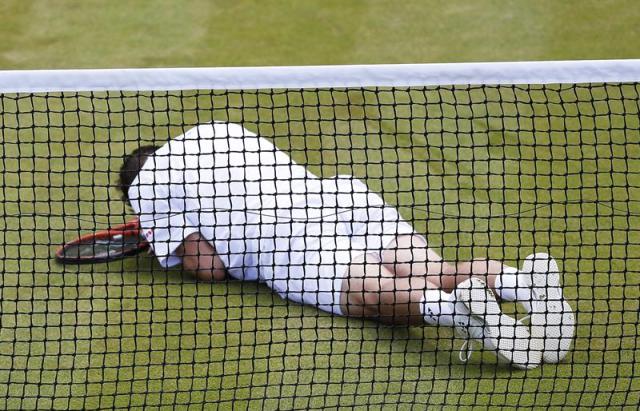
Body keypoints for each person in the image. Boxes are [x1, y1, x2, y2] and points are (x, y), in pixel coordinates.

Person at [118, 122, 575, 369]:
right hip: (342, 199)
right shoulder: (217, 130)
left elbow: (209, 266)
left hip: (288, 240)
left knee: (369, 294)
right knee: (433, 270)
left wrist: (160, 238)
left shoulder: (146, 189)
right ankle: (522, 284)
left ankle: (461, 314)